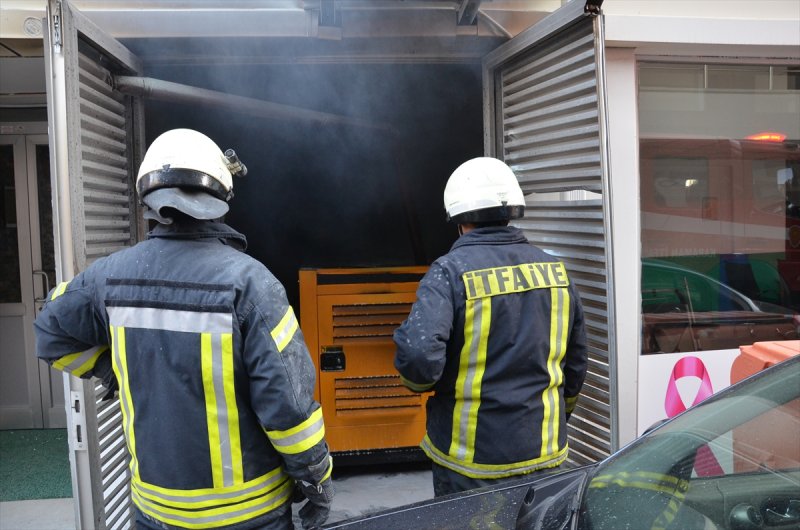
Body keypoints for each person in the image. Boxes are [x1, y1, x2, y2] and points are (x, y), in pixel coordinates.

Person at [34, 129, 333, 530]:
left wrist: (109, 370)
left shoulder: (109, 277)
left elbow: (50, 333)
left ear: (150, 204)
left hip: (155, 511)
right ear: (221, 199)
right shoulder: (251, 285)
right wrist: (315, 479)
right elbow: (290, 409)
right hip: (247, 515)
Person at [393, 157, 588, 496]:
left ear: (458, 220)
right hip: (543, 452)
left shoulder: (449, 273)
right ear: (512, 212)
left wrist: (417, 384)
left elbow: (419, 360)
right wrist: (555, 417)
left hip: (471, 462)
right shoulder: (556, 271)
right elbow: (576, 363)